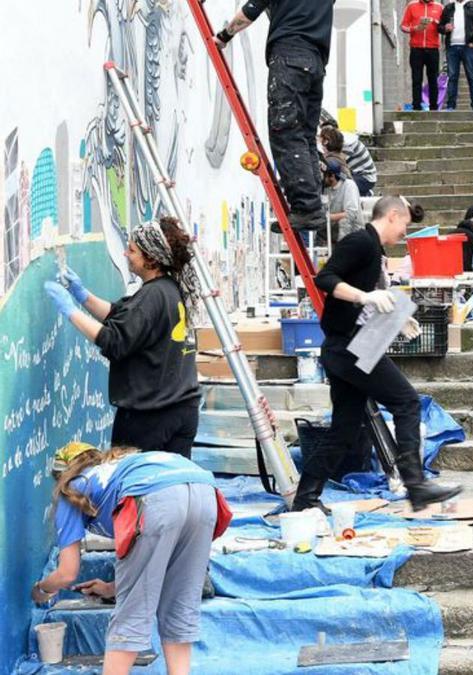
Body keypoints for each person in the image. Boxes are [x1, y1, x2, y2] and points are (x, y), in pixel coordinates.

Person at [299, 196, 462, 512]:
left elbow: (370, 299)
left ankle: (305, 499)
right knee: (406, 401)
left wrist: (397, 316)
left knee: (344, 430)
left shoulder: (374, 250)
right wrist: (365, 296)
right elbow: (325, 279)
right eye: (404, 225)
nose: (404, 233)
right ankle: (416, 485)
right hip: (349, 348)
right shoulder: (361, 242)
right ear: (392, 216)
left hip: (350, 346)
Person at [34, 445, 225, 675]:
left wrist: (42, 590)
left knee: (129, 619)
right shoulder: (116, 469)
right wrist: (110, 588)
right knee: (180, 607)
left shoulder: (72, 489)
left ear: (60, 475)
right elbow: (154, 564)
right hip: (205, 491)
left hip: (154, 497)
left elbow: (67, 572)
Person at [43, 217, 200, 457]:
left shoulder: (152, 296)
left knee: (135, 489)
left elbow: (114, 341)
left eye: (132, 250)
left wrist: (70, 311)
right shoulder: (169, 288)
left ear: (152, 258)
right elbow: (123, 317)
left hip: (151, 419)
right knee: (170, 487)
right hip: (180, 410)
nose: (126, 254)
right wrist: (82, 295)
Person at [215, 0, 333, 231]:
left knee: (286, 133)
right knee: (305, 137)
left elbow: (250, 11)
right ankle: (311, 206)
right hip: (316, 63)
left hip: (290, 56)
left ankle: (306, 208)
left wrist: (224, 36)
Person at [439, 0, 473, 111]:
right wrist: (445, 28)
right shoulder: (448, 8)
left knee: (472, 76)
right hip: (452, 47)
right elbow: (439, 27)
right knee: (452, 77)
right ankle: (451, 106)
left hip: (468, 47)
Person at [401, 0, 444, 111]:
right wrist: (415, 28)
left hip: (433, 48)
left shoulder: (439, 7)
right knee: (416, 78)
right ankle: (416, 106)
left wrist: (436, 23)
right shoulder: (412, 5)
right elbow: (403, 26)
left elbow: (443, 27)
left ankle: (433, 107)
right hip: (416, 49)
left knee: (433, 79)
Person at [318, 120, 379, 197]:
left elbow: (337, 164)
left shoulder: (346, 144)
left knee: (339, 182)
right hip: (355, 172)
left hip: (365, 177)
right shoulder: (341, 140)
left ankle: (364, 193)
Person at [321, 157, 364, 241]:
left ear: (332, 176)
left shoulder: (349, 186)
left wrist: (328, 217)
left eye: (323, 175)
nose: (321, 178)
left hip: (352, 231)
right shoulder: (325, 188)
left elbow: (350, 214)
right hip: (331, 229)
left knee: (344, 221)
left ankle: (343, 249)